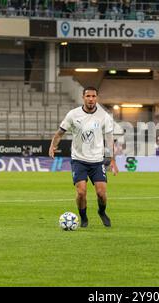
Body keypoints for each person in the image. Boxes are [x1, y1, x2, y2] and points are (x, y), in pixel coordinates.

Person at [49, 86, 118, 228]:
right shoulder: (73, 115)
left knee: (101, 193)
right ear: (83, 97)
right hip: (79, 160)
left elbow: (110, 139)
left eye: (93, 96)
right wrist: (52, 145)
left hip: (97, 161)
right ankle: (84, 217)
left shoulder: (104, 116)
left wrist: (112, 160)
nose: (91, 99)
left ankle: (102, 212)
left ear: (96, 98)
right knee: (81, 192)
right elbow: (60, 132)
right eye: (88, 96)